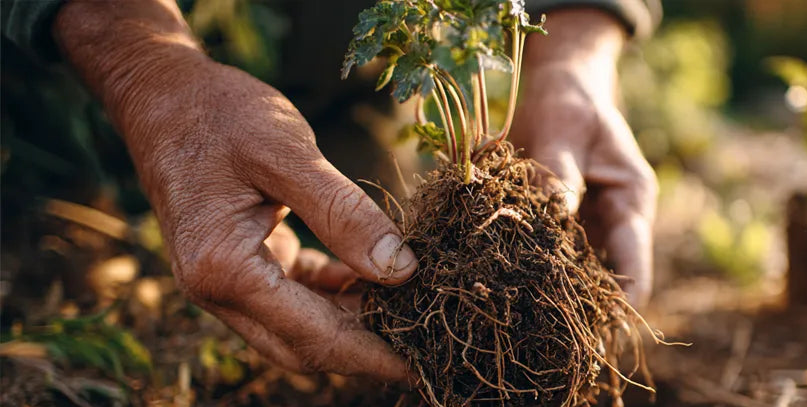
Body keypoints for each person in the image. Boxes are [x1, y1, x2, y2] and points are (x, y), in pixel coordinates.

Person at [3, 0, 660, 382]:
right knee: (61, 259)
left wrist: (576, 42)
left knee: (376, 275)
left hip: (337, 60)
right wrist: (141, 64)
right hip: (55, 80)